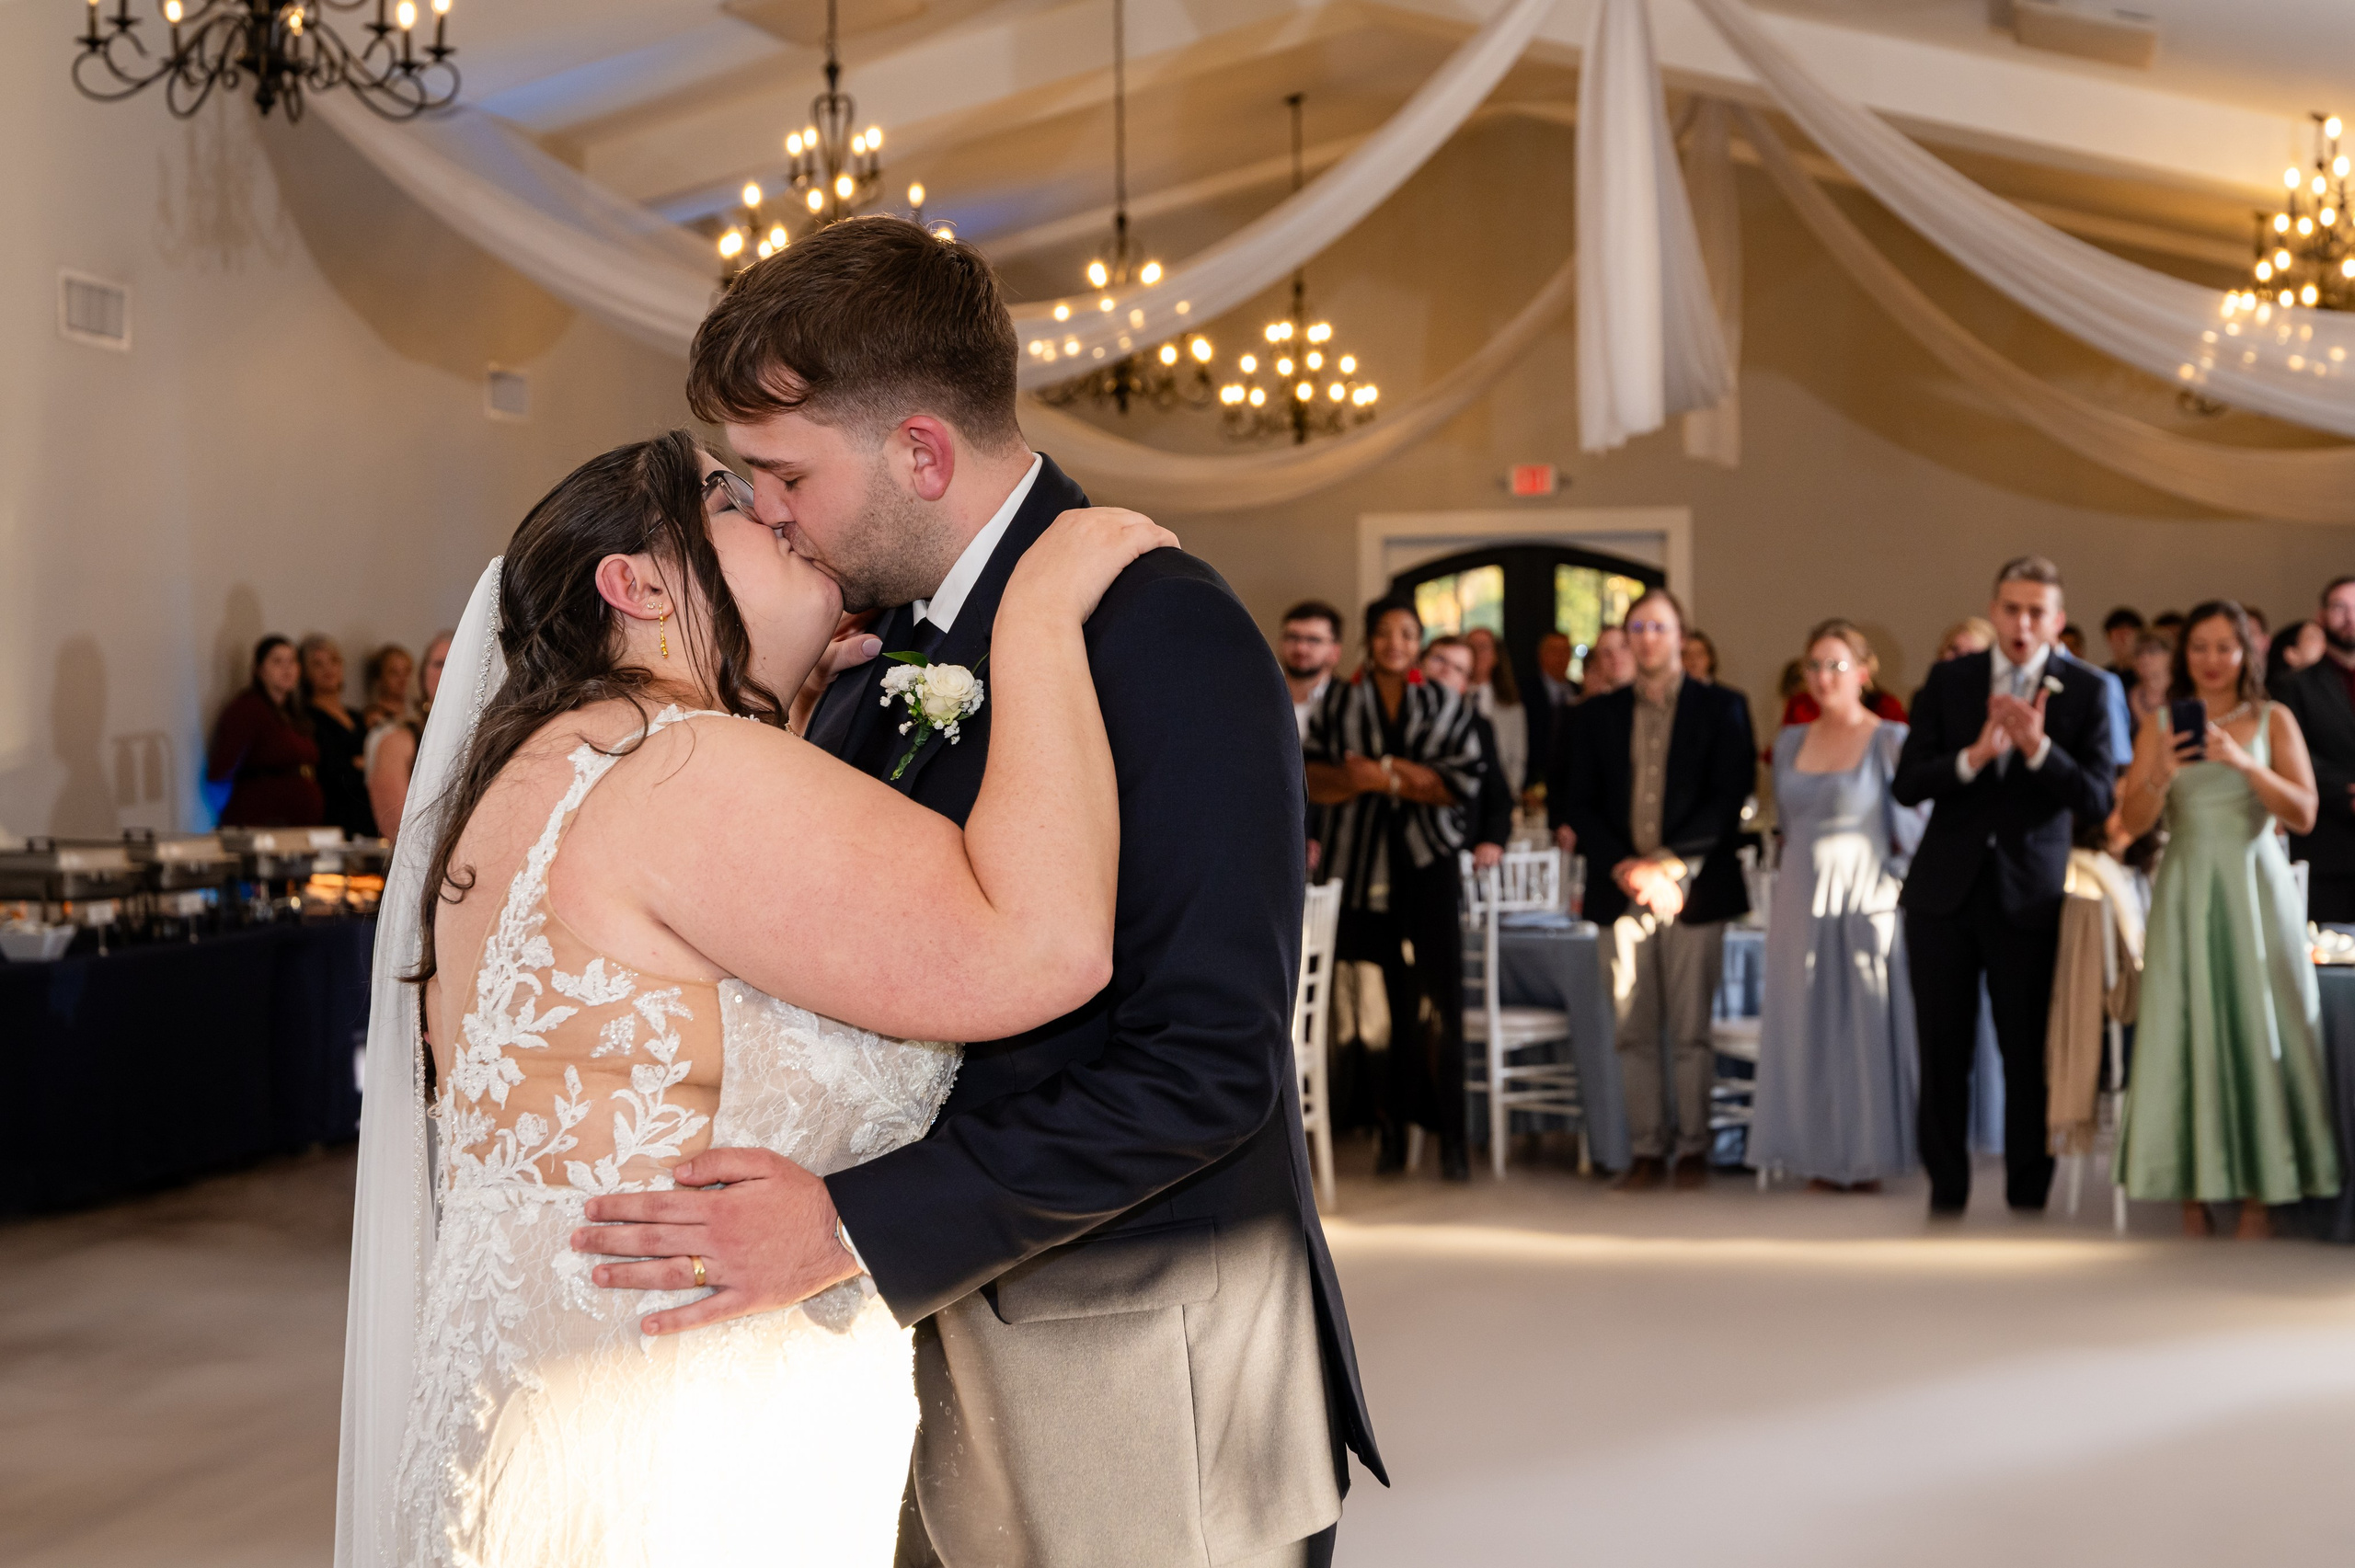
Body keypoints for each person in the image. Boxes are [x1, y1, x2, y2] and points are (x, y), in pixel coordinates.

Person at [567, 220, 1382, 1568]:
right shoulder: (876, 645)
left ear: (921, 454)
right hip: (921, 1378)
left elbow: (1203, 1066)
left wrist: (846, 1224)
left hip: (1132, 1374)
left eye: (784, 473)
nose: (765, 511)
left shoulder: (1159, 629)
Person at [342, 426, 1175, 1566]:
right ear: (635, 584)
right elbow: (1043, 950)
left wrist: (777, 711)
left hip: (538, 1394)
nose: (780, 516)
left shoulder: (553, 766)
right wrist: (1037, 621)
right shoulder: (680, 766)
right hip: (676, 1426)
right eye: (729, 501)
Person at [1894, 556, 2114, 1216]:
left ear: (2058, 620)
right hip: (1943, 893)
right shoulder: (1950, 678)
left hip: (2030, 895)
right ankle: (1947, 1188)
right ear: (1993, 611)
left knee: (2026, 1052)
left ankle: (2026, 1191)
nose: (2022, 623)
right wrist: (1976, 756)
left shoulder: (2088, 688)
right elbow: (1907, 782)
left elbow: (2099, 797)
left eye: (2036, 611)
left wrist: (2041, 750)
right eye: (2012, 608)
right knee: (1943, 1048)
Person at [2112, 601, 2339, 1236]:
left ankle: (2262, 1193)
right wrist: (2159, 773)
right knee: (2185, 1026)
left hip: (2255, 884)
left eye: (2225, 647)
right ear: (2186, 656)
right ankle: (2190, 1191)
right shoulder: (2159, 723)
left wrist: (2244, 763)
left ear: (2247, 652)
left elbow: (2304, 812)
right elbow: (2131, 825)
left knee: (2258, 1022)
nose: (2213, 660)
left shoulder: (2274, 717)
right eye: (2200, 647)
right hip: (2185, 883)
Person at [1551, 588, 1755, 1190]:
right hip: (1622, 890)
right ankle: (1646, 1146)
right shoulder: (1596, 715)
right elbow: (1577, 803)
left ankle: (1693, 1147)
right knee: (1633, 1026)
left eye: (1658, 626)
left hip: (1695, 889)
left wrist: (1667, 866)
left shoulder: (1724, 707)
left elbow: (1729, 799)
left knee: (1691, 1029)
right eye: (1636, 626)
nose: (1646, 637)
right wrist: (1627, 869)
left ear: (1681, 635)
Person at [1306, 600, 1485, 1182]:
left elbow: (1456, 785)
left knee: (1441, 1008)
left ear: (1420, 643)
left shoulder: (1443, 702)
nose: (1393, 642)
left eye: (1406, 633)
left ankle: (1453, 1140)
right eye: (1382, 632)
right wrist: (1404, 776)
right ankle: (1386, 1131)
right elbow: (1312, 779)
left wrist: (1377, 776)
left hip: (1428, 870)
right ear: (1368, 640)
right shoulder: (1336, 701)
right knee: (1375, 1013)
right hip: (1359, 876)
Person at [1753, 621, 1925, 1193]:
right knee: (1805, 1019)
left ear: (1865, 671)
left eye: (1837, 665)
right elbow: (1785, 825)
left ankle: (1868, 1153)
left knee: (1863, 1021)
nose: (1824, 677)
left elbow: (1915, 829)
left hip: (1865, 892)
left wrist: (1892, 889)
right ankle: (1814, 1152)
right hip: (1800, 893)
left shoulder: (1891, 738)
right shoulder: (1789, 743)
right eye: (1815, 666)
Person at [2278, 575, 2355, 922]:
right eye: (2340, 608)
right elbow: (2293, 755)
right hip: (2329, 846)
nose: (2350, 618)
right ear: (2321, 616)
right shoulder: (2296, 685)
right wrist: (2346, 790)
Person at [206, 635, 323, 827]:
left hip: (299, 823)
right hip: (264, 821)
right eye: (277, 661)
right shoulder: (248, 709)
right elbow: (222, 768)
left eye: (291, 661)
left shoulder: (294, 715)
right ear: (259, 670)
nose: (287, 668)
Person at [1423, 635, 1511, 864]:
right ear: (1420, 664)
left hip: (1461, 853)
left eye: (1458, 668)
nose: (1445, 671)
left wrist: (1492, 840)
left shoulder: (1479, 726)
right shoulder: (1396, 716)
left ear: (1465, 683)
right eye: (1439, 660)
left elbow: (1498, 795)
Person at [363, 630, 449, 844]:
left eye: (459, 659)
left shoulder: (495, 734)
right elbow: (400, 831)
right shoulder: (398, 740)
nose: (449, 671)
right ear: (423, 676)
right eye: (439, 664)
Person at [301, 633, 376, 840]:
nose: (328, 669)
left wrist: (362, 763)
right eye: (318, 664)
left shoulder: (357, 717)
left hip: (371, 814)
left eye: (333, 661)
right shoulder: (308, 719)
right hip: (338, 817)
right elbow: (331, 769)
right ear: (305, 673)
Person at [1463, 625, 1530, 795]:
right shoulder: (1451, 700)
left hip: (1499, 798)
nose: (1477, 654)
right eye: (1471, 647)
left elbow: (1517, 760)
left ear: (1496, 656)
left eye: (1484, 647)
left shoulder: (1512, 707)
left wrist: (1505, 800)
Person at [1280, 599, 1345, 741]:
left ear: (1335, 651)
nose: (1300, 648)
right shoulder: (1258, 695)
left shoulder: (1350, 702)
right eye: (1293, 637)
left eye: (1313, 640)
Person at [359, 644, 414, 734]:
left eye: (406, 671)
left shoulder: (416, 710)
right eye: (394, 673)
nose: (403, 679)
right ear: (379, 678)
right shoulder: (374, 716)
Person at [2266, 616, 2325, 698]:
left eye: (2323, 637)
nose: (2323, 643)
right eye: (2313, 637)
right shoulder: (2284, 691)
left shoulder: (2330, 683)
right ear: (2292, 653)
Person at [2126, 630, 2172, 730]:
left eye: (2152, 651)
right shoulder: (2125, 699)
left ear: (2170, 655)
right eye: (2138, 653)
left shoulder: (2185, 694)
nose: (2144, 658)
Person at [1580, 623, 1634, 699]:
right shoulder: (1589, 708)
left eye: (1623, 647)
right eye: (1606, 652)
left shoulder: (1653, 702)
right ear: (1597, 663)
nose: (1615, 656)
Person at [2101, 606, 2144, 678]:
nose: (2124, 639)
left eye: (2128, 634)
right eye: (2119, 635)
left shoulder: (2145, 675)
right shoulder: (2104, 676)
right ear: (2109, 637)